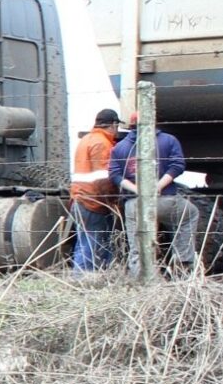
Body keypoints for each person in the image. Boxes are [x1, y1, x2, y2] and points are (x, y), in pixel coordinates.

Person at [109, 113, 198, 274]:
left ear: (131, 125)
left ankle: (140, 278)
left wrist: (138, 190)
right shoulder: (168, 140)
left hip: (134, 204)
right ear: (153, 122)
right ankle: (183, 265)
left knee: (137, 246)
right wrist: (158, 186)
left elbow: (115, 175)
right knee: (190, 215)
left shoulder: (119, 147)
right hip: (165, 200)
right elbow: (177, 165)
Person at [68, 107, 122, 272]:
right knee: (91, 246)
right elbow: (103, 179)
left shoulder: (86, 140)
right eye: (117, 126)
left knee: (85, 243)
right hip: (93, 203)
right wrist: (113, 200)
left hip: (80, 199)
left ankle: (87, 281)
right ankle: (82, 282)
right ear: (113, 124)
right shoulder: (102, 144)